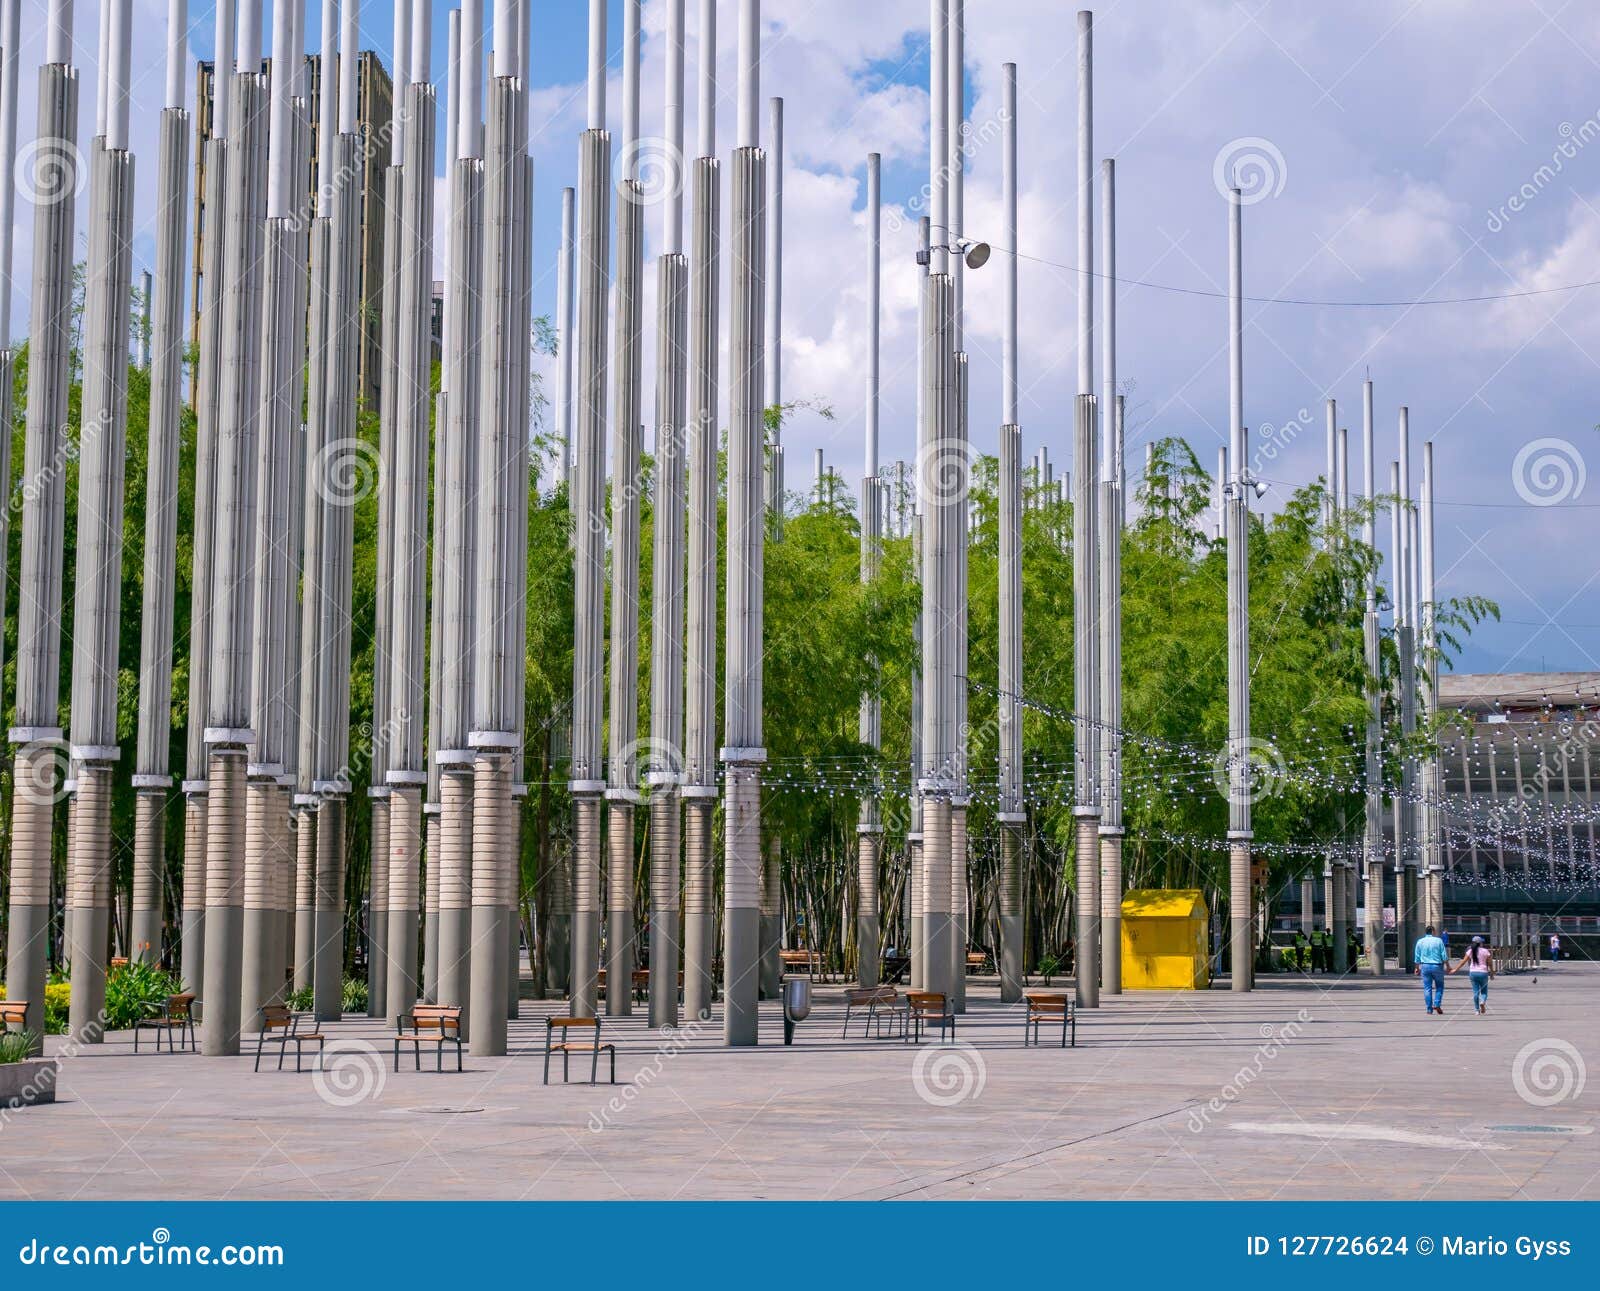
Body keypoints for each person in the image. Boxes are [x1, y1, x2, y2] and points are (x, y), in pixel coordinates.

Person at [1453, 936, 1494, 1014]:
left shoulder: (1470, 951)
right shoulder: (1486, 951)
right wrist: (1491, 973)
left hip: (1473, 973)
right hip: (1483, 973)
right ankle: (1482, 1002)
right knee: (1484, 991)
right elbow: (1490, 963)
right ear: (1480, 943)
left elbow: (1463, 962)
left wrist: (1455, 969)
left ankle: (1476, 1010)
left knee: (1476, 992)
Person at [1413, 924, 1449, 1015]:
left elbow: (1417, 957)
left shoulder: (1420, 942)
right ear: (1433, 932)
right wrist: (1448, 966)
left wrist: (1417, 968)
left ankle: (1429, 1009)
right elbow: (1444, 955)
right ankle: (1437, 1003)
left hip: (1425, 966)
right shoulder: (1438, 941)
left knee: (1427, 988)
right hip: (1437, 966)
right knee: (1439, 986)